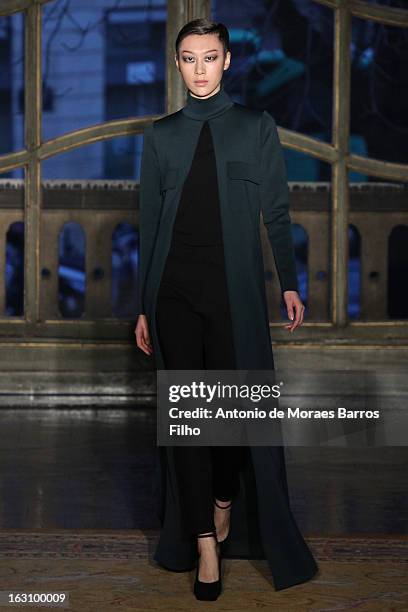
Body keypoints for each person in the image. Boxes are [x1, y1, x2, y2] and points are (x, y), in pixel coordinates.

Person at [135, 18, 317, 601]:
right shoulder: (161, 135)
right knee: (188, 426)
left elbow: (278, 213)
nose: (199, 69)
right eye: (188, 59)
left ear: (227, 62)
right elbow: (148, 225)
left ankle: (222, 502)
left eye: (209, 58)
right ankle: (203, 547)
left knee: (233, 423)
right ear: (178, 65)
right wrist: (143, 306)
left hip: (235, 296)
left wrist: (289, 283)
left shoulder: (255, 127)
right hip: (172, 297)